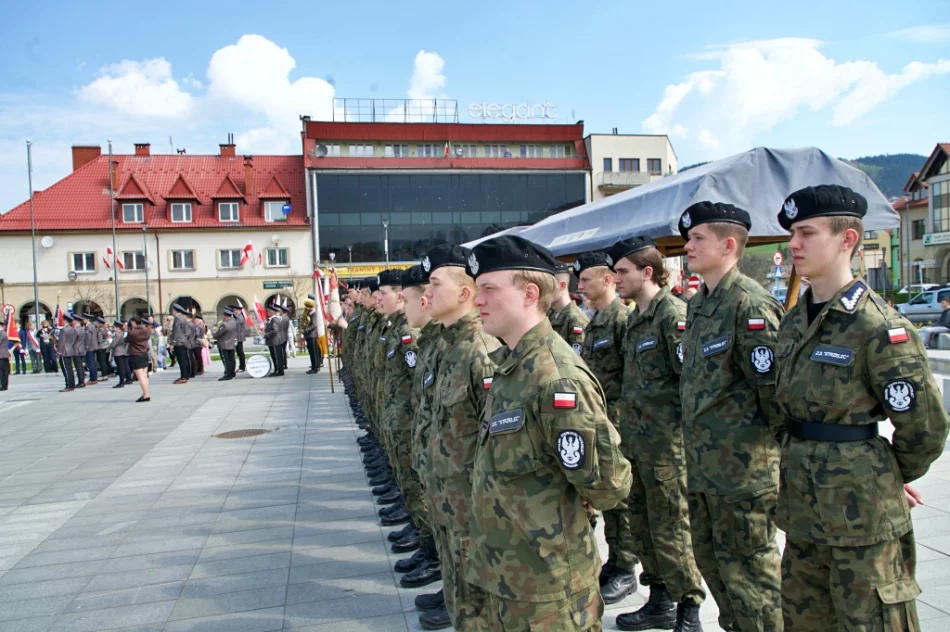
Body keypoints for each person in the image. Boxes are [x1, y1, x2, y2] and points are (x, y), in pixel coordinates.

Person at [775, 185, 949, 630]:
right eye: (792, 232)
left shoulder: (878, 326)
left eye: (806, 232)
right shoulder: (793, 320)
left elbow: (925, 428)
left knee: (872, 621)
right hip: (802, 512)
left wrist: (883, 475)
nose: (793, 243)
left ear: (847, 240)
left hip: (861, 520)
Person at [464, 235, 633, 630]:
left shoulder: (555, 378)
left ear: (529, 293)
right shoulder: (511, 365)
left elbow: (609, 484)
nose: (477, 300)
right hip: (507, 572)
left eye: (488, 289)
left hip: (548, 587)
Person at [677, 201, 784, 632]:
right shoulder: (700, 304)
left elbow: (775, 396)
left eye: (697, 238)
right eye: (687, 239)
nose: (688, 246)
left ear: (728, 244)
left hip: (742, 476)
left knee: (752, 581)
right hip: (704, 471)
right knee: (717, 571)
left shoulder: (750, 306)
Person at [609, 236, 705, 632]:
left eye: (622, 272)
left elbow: (691, 383)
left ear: (647, 272)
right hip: (638, 445)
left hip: (667, 448)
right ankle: (660, 600)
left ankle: (689, 609)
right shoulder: (635, 319)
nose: (616, 279)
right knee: (644, 528)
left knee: (672, 531)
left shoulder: (672, 315)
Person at [419, 244, 500, 631]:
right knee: (459, 601)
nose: (426, 293)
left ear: (465, 293)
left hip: (473, 509)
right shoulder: (445, 347)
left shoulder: (481, 353)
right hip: (446, 501)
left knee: (478, 609)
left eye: (435, 284)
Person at [575, 251, 640, 604]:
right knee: (609, 497)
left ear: (607, 280)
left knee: (622, 499)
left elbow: (632, 376)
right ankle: (615, 561)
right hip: (601, 422)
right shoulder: (595, 321)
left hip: (619, 422)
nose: (580, 286)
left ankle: (626, 567)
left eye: (585, 280)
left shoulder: (620, 320)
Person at [548, 260, 589, 354]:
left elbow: (578, 360)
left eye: (548, 285)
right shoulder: (551, 314)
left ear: (562, 285)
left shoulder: (576, 319)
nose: (544, 290)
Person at [126, 316, 151, 402]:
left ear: (133, 322)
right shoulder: (146, 330)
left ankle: (146, 395)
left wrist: (129, 329)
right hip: (144, 354)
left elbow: (126, 340)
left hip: (136, 354)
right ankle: (145, 393)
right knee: (144, 375)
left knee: (140, 377)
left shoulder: (132, 333)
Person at [169, 303, 191, 384]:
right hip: (184, 341)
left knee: (182, 360)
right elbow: (186, 331)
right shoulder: (183, 318)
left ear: (175, 310)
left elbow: (176, 331)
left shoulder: (177, 318)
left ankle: (183, 377)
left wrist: (173, 343)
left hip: (178, 342)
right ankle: (186, 375)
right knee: (185, 359)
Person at [213, 308, 238, 381]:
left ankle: (227, 374)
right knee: (232, 359)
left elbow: (218, 334)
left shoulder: (225, 325)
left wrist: (213, 334)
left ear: (226, 316)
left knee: (226, 360)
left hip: (224, 344)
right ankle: (232, 373)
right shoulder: (234, 322)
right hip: (231, 343)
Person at [58, 314, 78, 391]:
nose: (61, 321)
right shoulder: (72, 329)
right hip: (70, 349)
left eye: (62, 320)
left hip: (64, 351)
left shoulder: (64, 330)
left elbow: (61, 342)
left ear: (65, 321)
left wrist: (59, 352)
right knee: (69, 368)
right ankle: (72, 384)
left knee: (66, 369)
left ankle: (68, 385)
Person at [301, 298, 320, 374]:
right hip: (310, 335)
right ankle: (315, 366)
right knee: (312, 352)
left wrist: (305, 330)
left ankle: (314, 367)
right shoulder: (311, 314)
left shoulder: (314, 314)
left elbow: (314, 325)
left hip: (312, 335)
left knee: (313, 352)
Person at [111, 320, 131, 388]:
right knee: (124, 366)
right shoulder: (123, 333)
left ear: (117, 327)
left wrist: (111, 345)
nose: (113, 328)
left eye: (114, 327)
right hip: (124, 351)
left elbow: (114, 344)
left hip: (118, 352)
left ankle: (121, 382)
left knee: (120, 368)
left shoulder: (118, 334)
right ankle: (126, 379)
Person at [229, 305, 248, 373]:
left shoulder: (239, 318)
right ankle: (241, 366)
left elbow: (237, 327)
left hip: (239, 337)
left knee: (240, 352)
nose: (235, 312)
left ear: (240, 311)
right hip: (238, 336)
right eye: (234, 311)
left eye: (236, 310)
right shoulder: (237, 317)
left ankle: (242, 367)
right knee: (239, 352)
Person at [265, 304, 282, 376]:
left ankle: (279, 370)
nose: (267, 313)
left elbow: (275, 330)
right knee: (275, 357)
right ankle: (276, 370)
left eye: (268, 311)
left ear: (272, 312)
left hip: (275, 340)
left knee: (277, 356)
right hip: (273, 341)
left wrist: (267, 335)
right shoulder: (272, 319)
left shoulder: (274, 319)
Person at [82, 313, 99, 384]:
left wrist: (86, 347)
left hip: (90, 347)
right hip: (93, 346)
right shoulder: (92, 326)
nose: (83, 320)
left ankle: (92, 378)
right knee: (93, 362)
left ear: (87, 319)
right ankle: (94, 377)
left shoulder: (88, 327)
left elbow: (88, 338)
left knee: (90, 363)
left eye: (84, 319)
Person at [71, 314, 87, 388]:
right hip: (81, 349)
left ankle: (81, 382)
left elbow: (73, 340)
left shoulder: (76, 330)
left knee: (78, 367)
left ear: (76, 321)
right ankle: (82, 381)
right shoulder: (82, 329)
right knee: (81, 367)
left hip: (76, 350)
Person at [0, 325, 9, 391]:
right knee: (3, 371)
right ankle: (4, 385)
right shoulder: (3, 333)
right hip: (3, 354)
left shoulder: (2, 333)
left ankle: (4, 385)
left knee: (2, 371)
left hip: (2, 355)